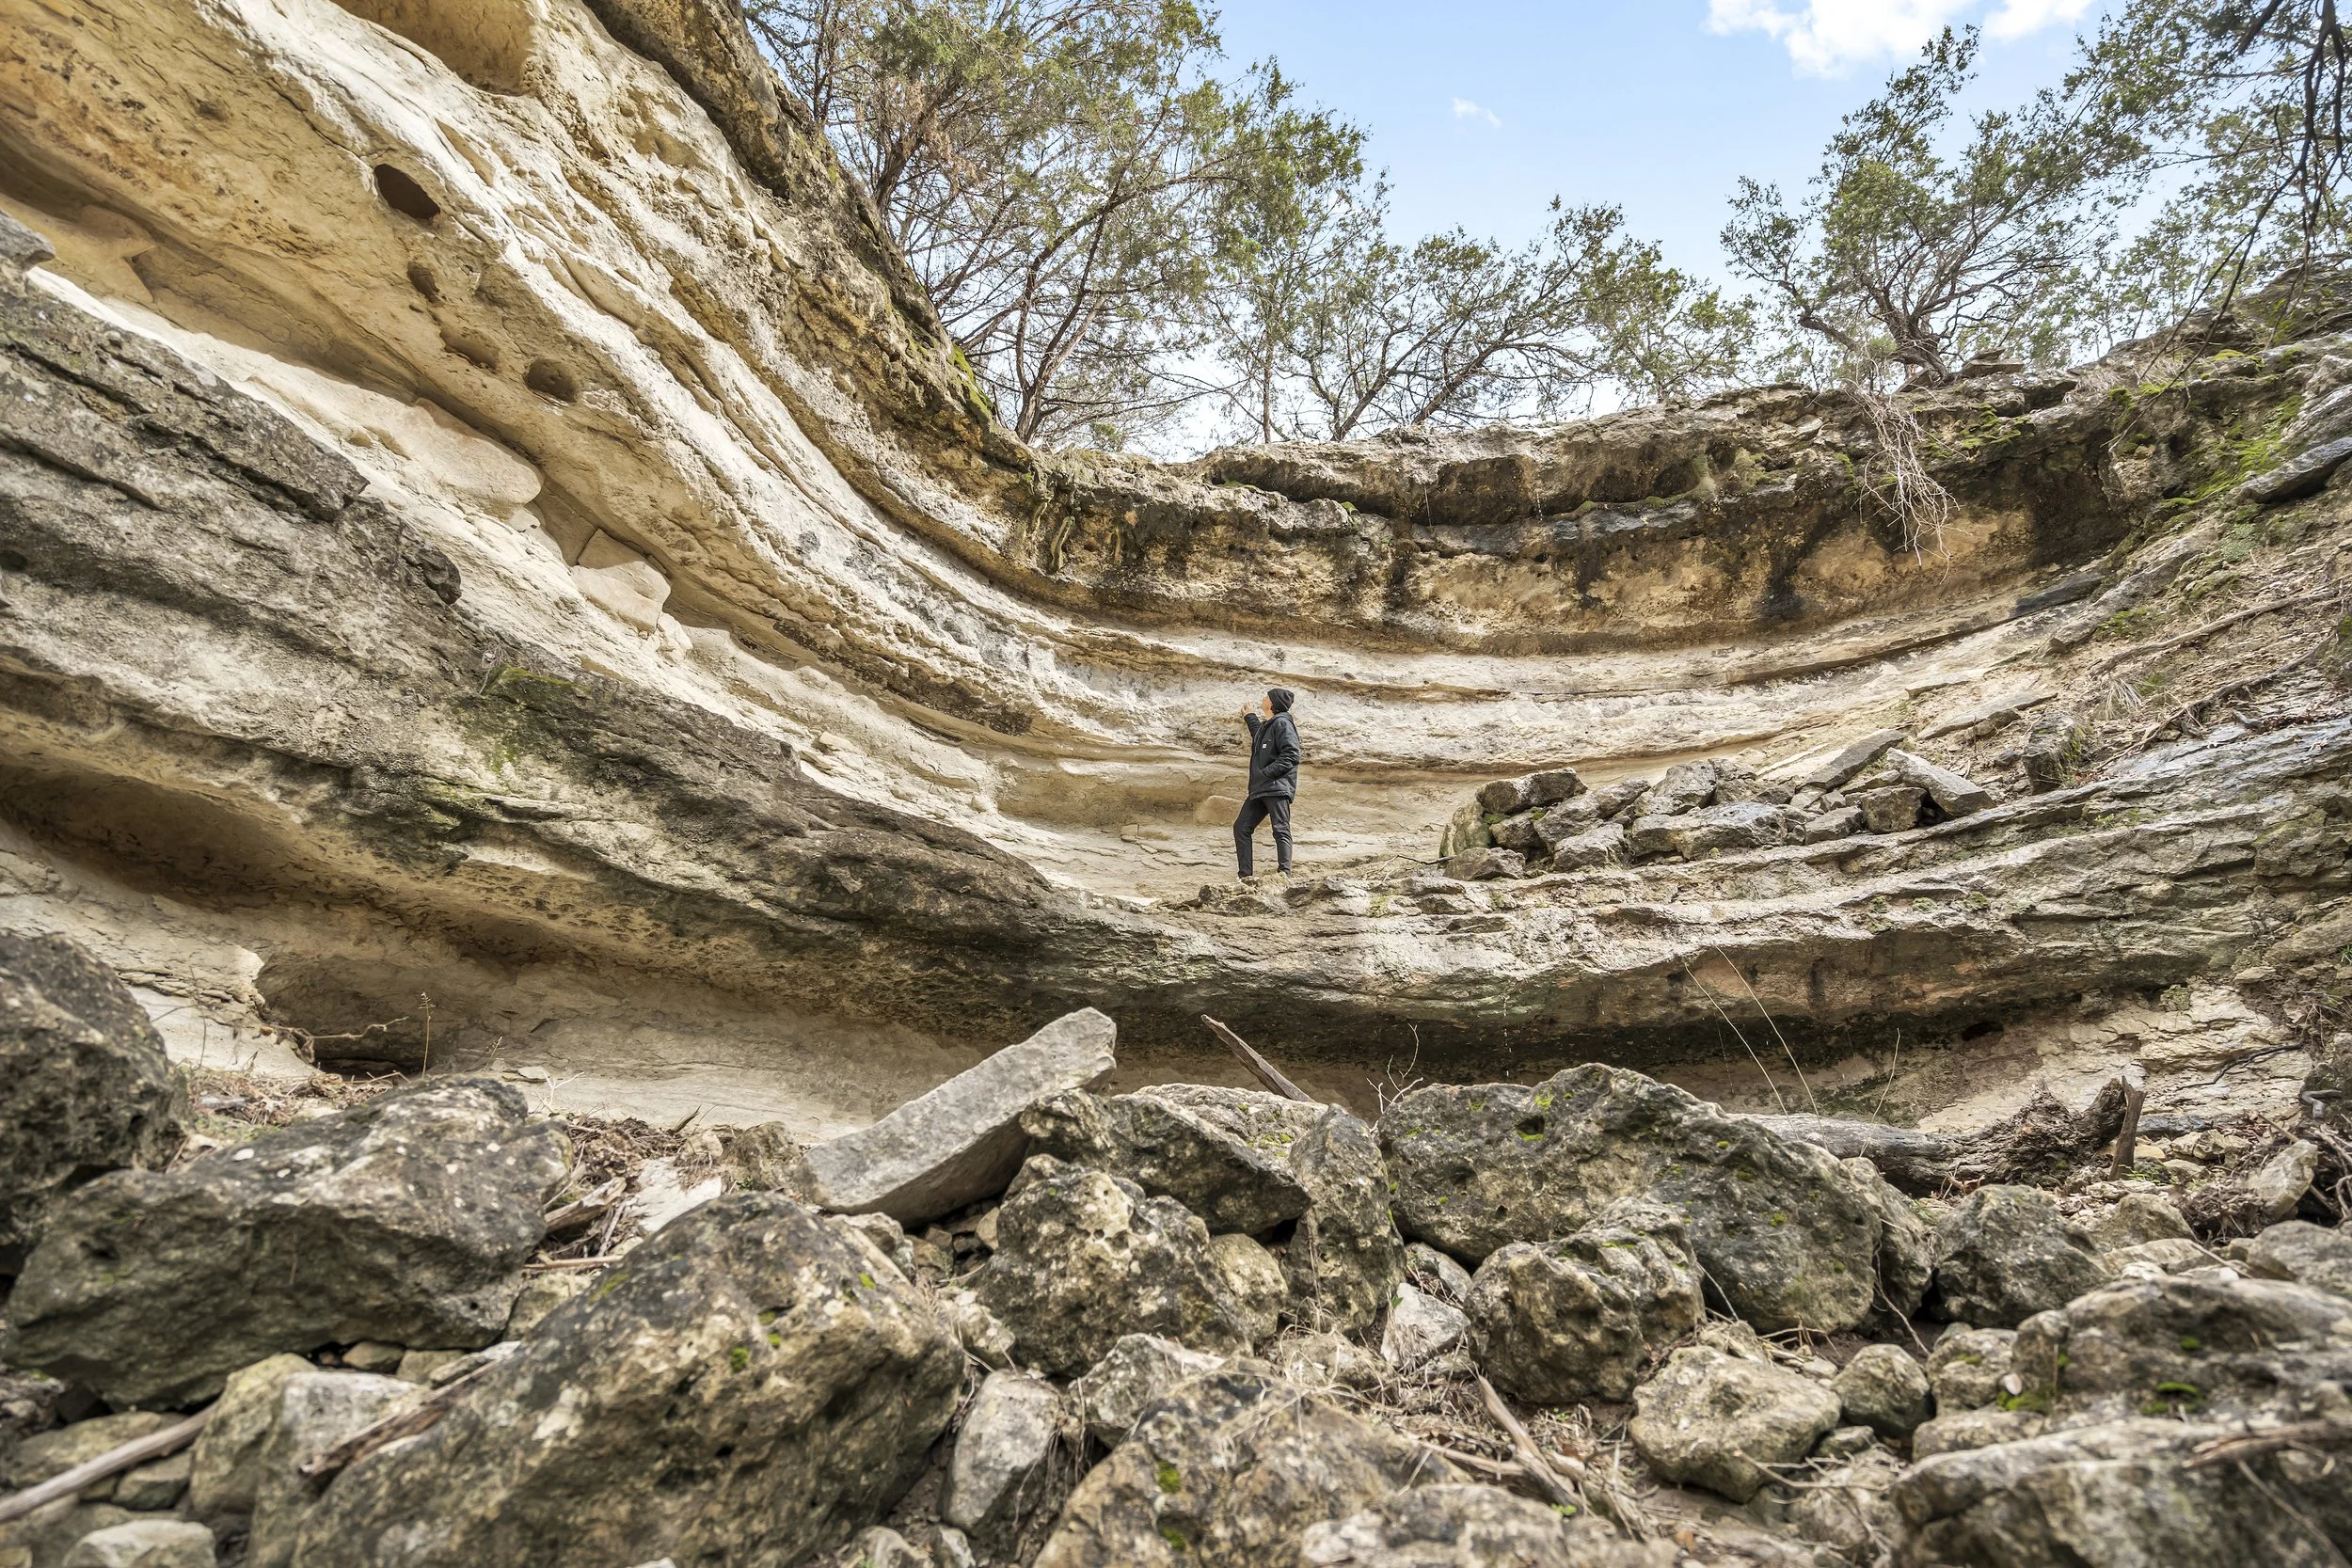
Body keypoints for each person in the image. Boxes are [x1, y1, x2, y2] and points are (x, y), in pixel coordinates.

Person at [1234, 688, 1300, 878]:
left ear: (1272, 703)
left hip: (1276, 787)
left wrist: (1267, 773)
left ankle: (1284, 874)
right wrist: (1250, 717)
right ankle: (1245, 876)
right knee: (1241, 827)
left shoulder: (1282, 723)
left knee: (1280, 828)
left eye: (1266, 697)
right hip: (1260, 788)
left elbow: (1292, 754)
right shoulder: (1269, 725)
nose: (1263, 699)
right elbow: (1259, 736)